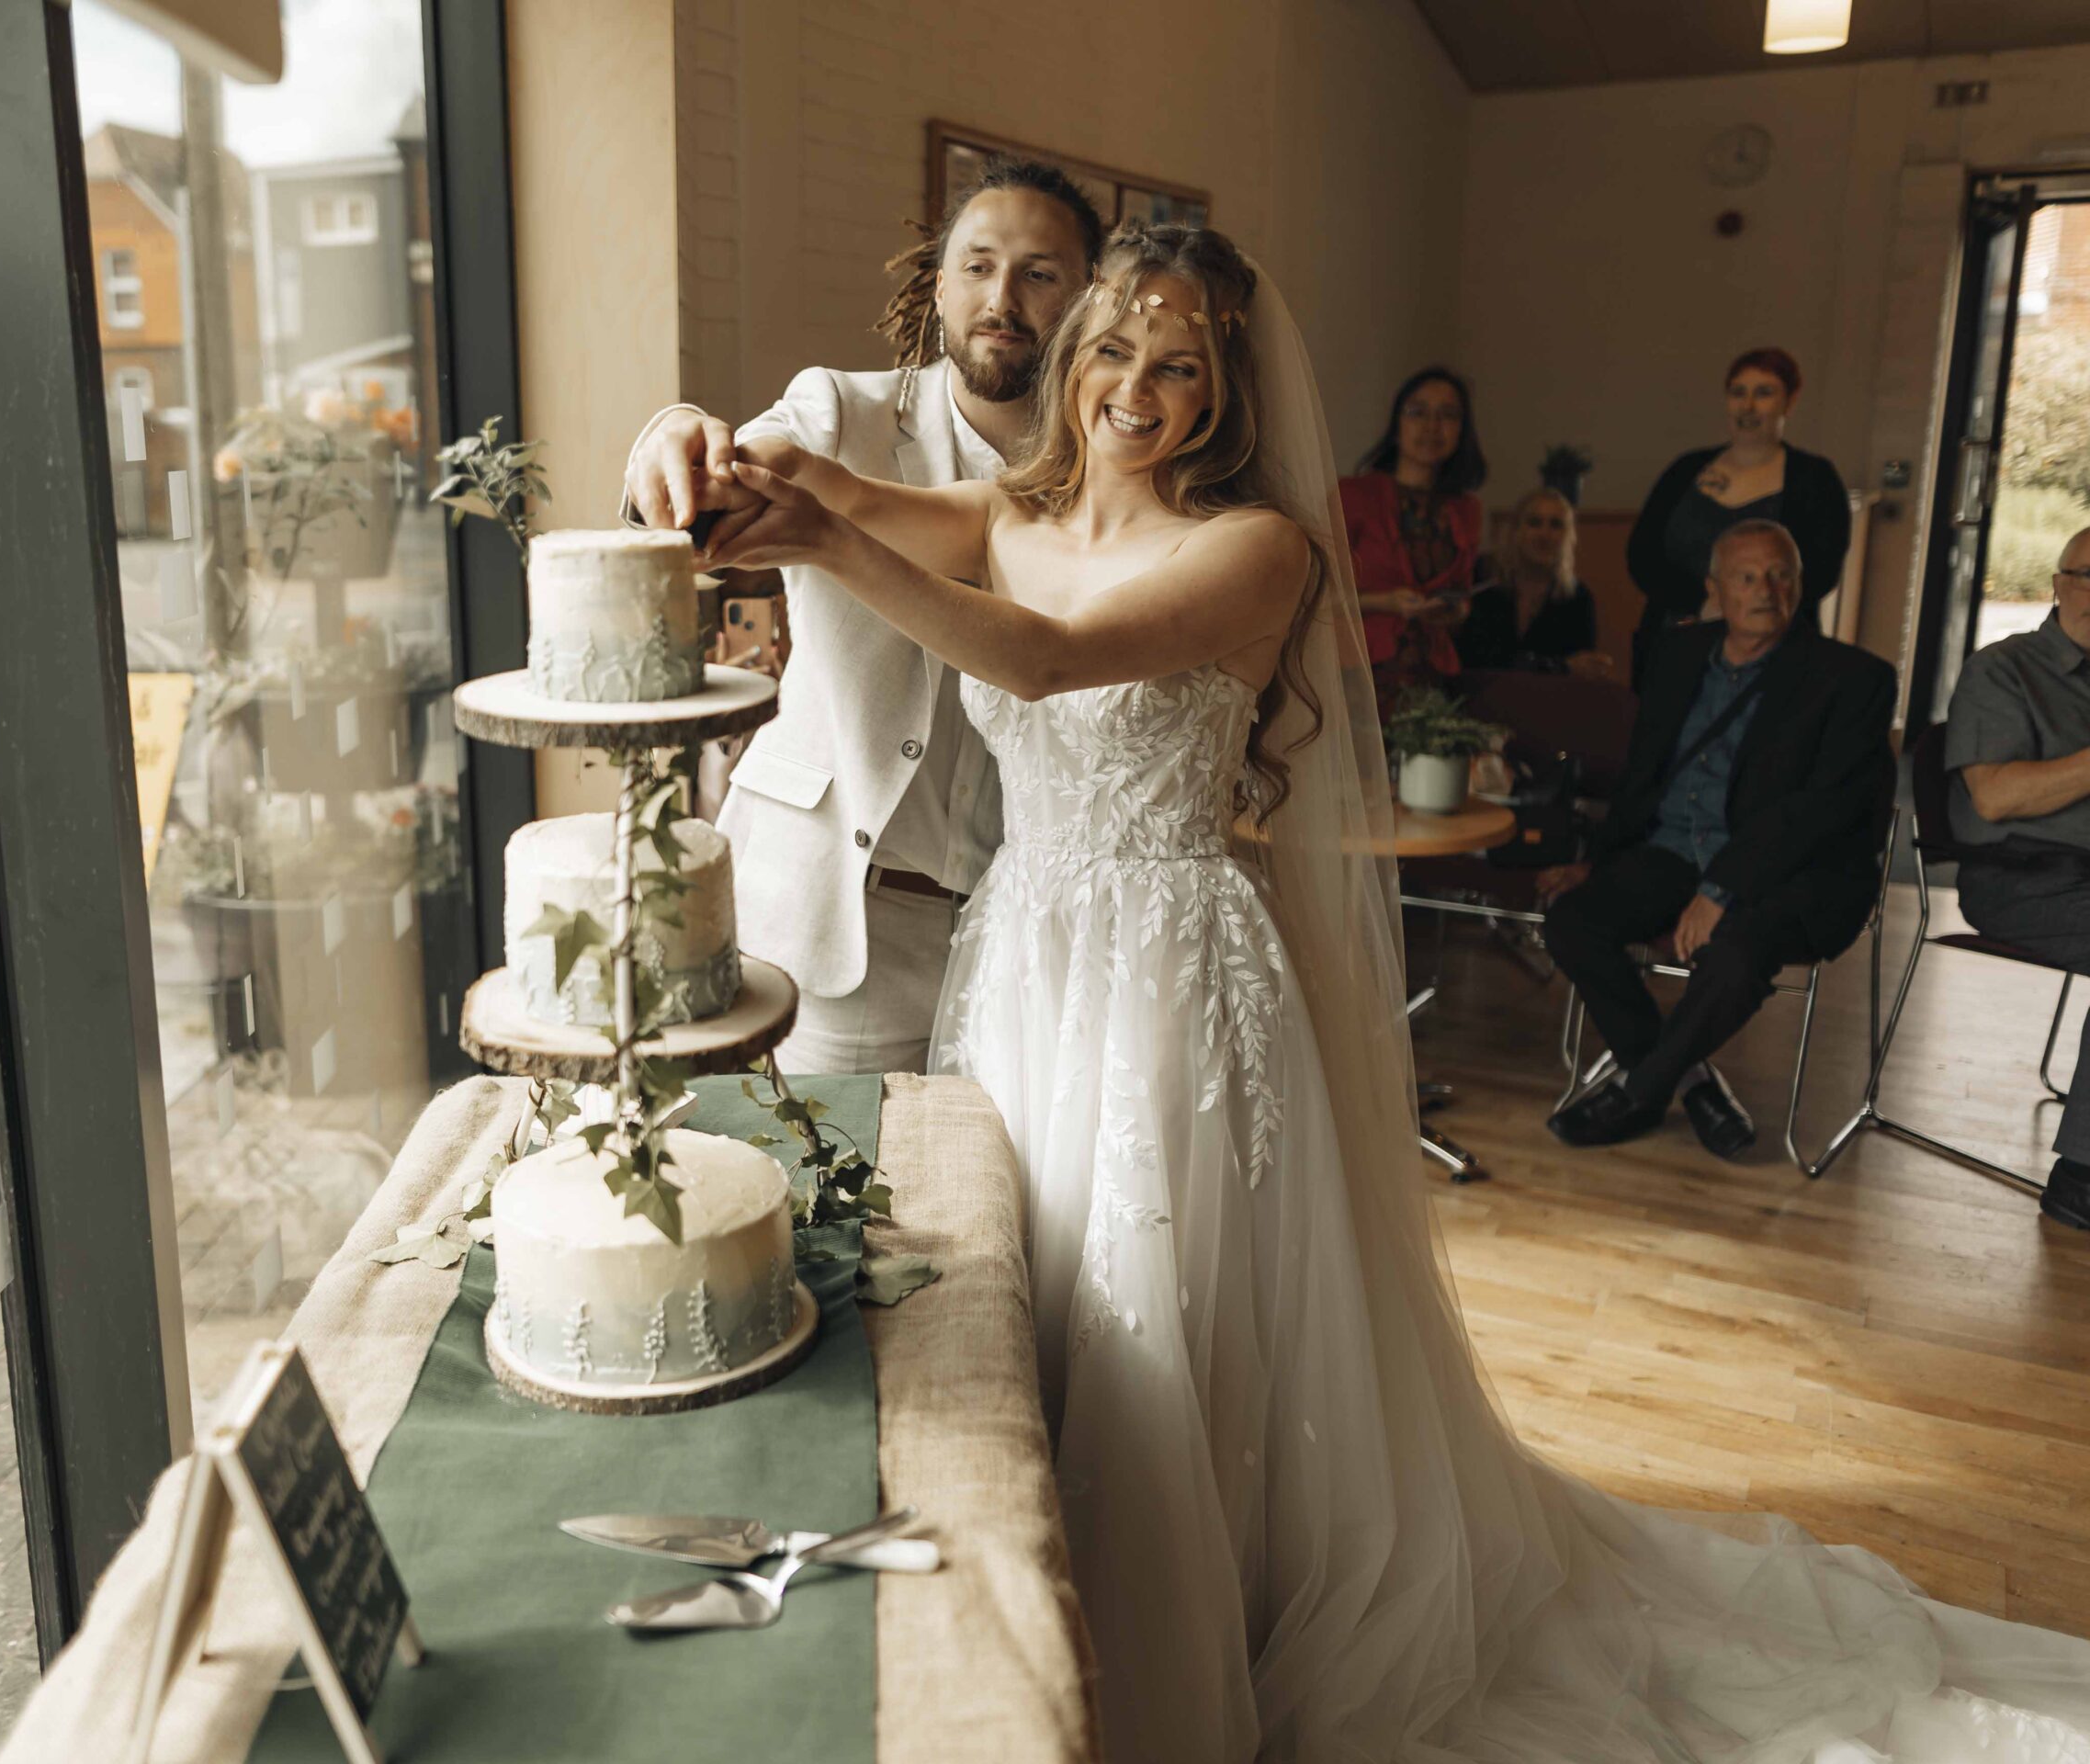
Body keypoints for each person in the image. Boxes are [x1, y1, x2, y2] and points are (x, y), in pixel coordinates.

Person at [688, 220, 2090, 1762]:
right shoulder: (1009, 505)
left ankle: (1188, 1630)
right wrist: (703, 456)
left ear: (1228, 392)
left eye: (1178, 368)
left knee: (1162, 1310)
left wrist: (828, 548)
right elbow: (830, 490)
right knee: (1046, 1300)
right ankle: (1041, 1605)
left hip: (1166, 978)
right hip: (1023, 957)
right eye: (1113, 353)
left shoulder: (1257, 551)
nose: (1133, 393)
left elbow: (1034, 657)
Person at [621, 154, 1104, 1073]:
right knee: (841, 1206)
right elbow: (725, 480)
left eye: (1040, 273)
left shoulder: (1113, 471)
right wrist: (672, 436)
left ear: (1089, 300)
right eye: (977, 264)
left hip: (1032, 938)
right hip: (843, 925)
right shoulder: (841, 411)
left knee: (1001, 1211)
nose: (1002, 295)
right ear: (938, 283)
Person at [1539, 520, 1893, 1159]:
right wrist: (1599, 861)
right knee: (1570, 921)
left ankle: (1638, 1093)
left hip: (1790, 870)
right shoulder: (1677, 653)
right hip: (1672, 849)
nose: (1766, 589)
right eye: (1747, 576)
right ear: (1716, 588)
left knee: (1734, 957)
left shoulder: (1851, 678)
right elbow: (1645, 770)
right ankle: (1693, 1082)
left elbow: (1818, 811)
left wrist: (1722, 888)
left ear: (1800, 584)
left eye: (1780, 574)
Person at [1945, 526, 2090, 1227]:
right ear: (2059, 582)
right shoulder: (2005, 668)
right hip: (2022, 879)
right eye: (2089, 576)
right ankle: (2082, 1177)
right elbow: (1995, 796)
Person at [1626, 345, 1850, 685]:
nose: (1747, 406)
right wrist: (1703, 604)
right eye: (1737, 393)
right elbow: (1642, 554)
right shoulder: (1686, 469)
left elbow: (1821, 571)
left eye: (1763, 393)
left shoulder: (1815, 478)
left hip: (1771, 656)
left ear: (1788, 401)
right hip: (1674, 645)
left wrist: (1742, 612)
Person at [1339, 367, 1483, 699]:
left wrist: (1454, 609)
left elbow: (1463, 594)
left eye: (1447, 415)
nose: (1432, 427)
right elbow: (1313, 596)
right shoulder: (1354, 496)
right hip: (1359, 674)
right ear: (1396, 424)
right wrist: (1384, 602)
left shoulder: (1466, 509)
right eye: (1419, 412)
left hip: (1431, 679)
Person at [1455, 484, 1609, 675]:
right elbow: (1475, 658)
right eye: (1534, 522)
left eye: (1556, 525)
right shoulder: (1482, 577)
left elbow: (1581, 673)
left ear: (1569, 537)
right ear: (1516, 531)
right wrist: (1560, 666)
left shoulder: (1578, 598)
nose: (1544, 535)